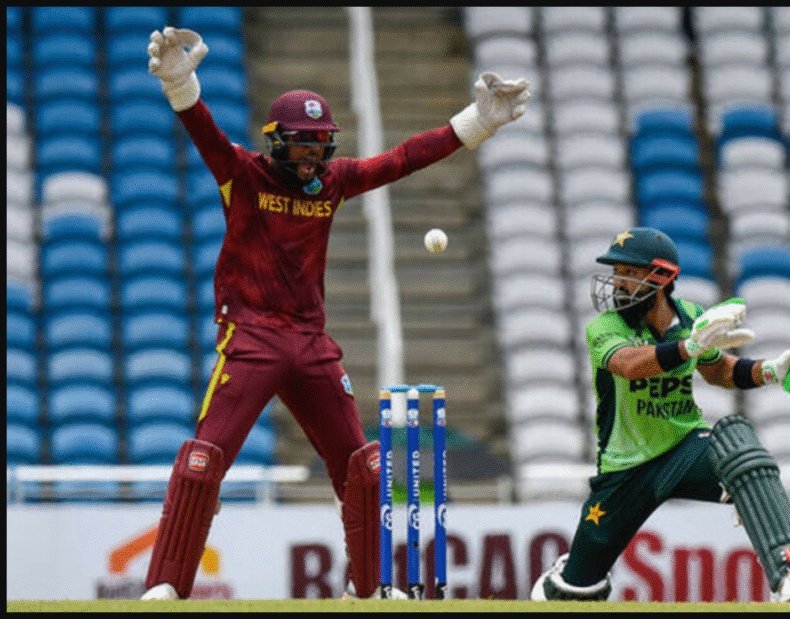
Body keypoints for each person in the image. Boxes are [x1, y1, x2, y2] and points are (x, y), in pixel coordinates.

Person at [140, 27, 530, 600]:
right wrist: (181, 83)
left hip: (310, 344)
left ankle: (367, 589)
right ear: (277, 142)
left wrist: (477, 121)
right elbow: (206, 134)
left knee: (365, 469)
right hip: (249, 339)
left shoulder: (332, 182)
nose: (312, 157)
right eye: (301, 145)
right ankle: (166, 587)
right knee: (203, 461)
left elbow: (400, 159)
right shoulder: (244, 176)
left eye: (320, 145)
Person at [530, 227, 790, 603]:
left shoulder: (691, 318)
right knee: (574, 592)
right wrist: (688, 346)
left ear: (662, 278)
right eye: (617, 273)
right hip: (624, 469)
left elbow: (717, 370)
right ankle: (568, 577)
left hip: (683, 450)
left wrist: (772, 370)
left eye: (629, 274)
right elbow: (629, 365)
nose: (618, 284)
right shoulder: (605, 327)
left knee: (739, 445)